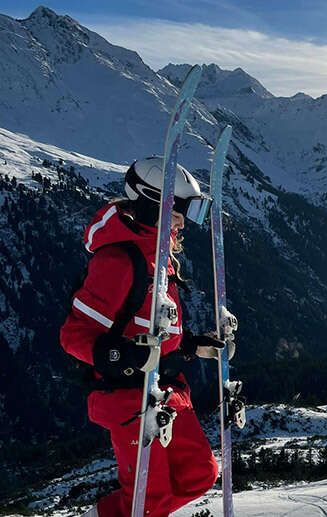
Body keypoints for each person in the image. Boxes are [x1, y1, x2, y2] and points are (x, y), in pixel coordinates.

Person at [61, 157, 225, 517]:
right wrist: (123, 356)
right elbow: (74, 336)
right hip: (129, 399)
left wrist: (191, 344)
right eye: (180, 210)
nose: (185, 222)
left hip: (166, 391)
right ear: (153, 206)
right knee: (149, 504)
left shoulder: (160, 256)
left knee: (201, 473)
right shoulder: (119, 260)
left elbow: (149, 327)